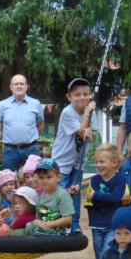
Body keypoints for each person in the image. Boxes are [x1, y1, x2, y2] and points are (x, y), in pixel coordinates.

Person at [52, 78, 96, 233]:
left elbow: (90, 135)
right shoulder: (68, 112)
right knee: (62, 192)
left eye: (85, 94)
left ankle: (75, 224)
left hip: (79, 161)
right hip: (63, 160)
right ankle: (58, 224)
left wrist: (89, 134)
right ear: (69, 97)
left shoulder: (91, 113)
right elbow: (81, 132)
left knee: (75, 191)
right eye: (77, 94)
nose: (82, 97)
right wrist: (87, 114)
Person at [84, 144, 127, 259]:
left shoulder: (120, 179)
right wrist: (98, 199)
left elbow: (116, 198)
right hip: (96, 224)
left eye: (102, 162)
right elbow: (91, 202)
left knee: (107, 253)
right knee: (99, 256)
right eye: (97, 162)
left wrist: (96, 196)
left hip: (113, 225)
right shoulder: (95, 180)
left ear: (114, 163)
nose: (98, 165)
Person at [11, 159, 75, 236]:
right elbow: (38, 220)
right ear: (37, 178)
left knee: (30, 228)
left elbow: (68, 220)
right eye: (41, 177)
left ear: (59, 177)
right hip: (44, 230)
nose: (45, 180)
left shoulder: (62, 194)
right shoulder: (41, 197)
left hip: (60, 232)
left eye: (49, 177)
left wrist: (47, 224)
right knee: (14, 233)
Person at [0, 74, 45, 172]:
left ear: (27, 87)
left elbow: (40, 124)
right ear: (11, 87)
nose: (19, 86)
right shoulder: (2, 105)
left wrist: (30, 138)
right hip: (10, 150)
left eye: (22, 84)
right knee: (9, 180)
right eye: (16, 84)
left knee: (34, 178)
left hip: (31, 148)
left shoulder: (36, 103)